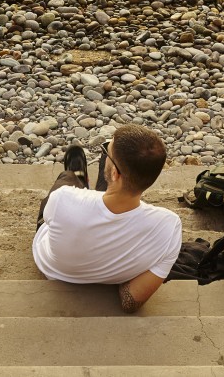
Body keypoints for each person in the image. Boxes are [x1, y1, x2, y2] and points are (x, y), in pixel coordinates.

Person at [31, 125, 182, 313]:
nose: (106, 152)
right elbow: (130, 302)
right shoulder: (169, 226)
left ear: (114, 173)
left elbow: (50, 221)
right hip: (119, 195)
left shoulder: (63, 198)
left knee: (66, 178)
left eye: (107, 152)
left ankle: (77, 177)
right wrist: (122, 265)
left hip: (54, 270)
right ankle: (91, 184)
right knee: (103, 195)